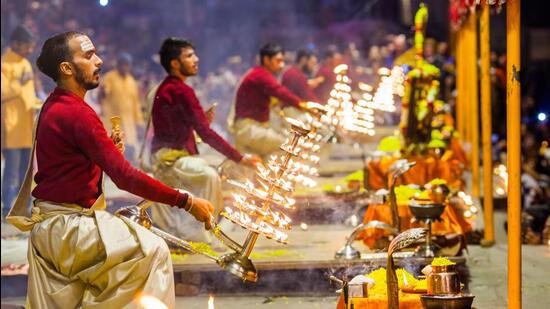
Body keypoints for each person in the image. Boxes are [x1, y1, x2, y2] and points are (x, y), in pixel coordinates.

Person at [6, 31, 214, 308]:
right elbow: (126, 177)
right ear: (66, 68)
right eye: (89, 55)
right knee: (153, 252)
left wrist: (107, 154)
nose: (100, 61)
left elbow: (66, 167)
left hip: (54, 229)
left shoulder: (56, 105)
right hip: (69, 230)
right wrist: (185, 201)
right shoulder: (76, 112)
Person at [150, 37, 260, 242]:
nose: (196, 59)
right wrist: (240, 158)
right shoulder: (180, 90)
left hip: (169, 155)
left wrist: (197, 124)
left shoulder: (169, 88)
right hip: (170, 160)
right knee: (210, 176)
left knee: (212, 172)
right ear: (175, 63)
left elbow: (179, 126)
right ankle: (198, 234)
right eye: (190, 56)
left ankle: (197, 229)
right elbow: (206, 134)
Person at [230, 43, 306, 157]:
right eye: (278, 60)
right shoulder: (260, 75)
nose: (281, 65)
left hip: (253, 128)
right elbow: (280, 92)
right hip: (249, 130)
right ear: (266, 59)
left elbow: (276, 99)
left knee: (263, 166)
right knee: (287, 144)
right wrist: (304, 105)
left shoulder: (260, 74)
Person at [1, 26, 40, 217]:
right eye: (27, 46)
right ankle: (8, 208)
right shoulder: (3, 64)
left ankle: (23, 209)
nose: (30, 50)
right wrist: (20, 82)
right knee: (12, 172)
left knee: (26, 174)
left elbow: (28, 95)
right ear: (15, 44)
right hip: (11, 128)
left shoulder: (25, 63)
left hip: (26, 126)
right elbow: (3, 92)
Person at [99, 52, 144, 162]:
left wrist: (139, 122)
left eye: (127, 65)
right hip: (113, 123)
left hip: (129, 125)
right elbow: (103, 94)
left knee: (128, 155)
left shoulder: (131, 82)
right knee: (112, 154)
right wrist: (103, 92)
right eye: (123, 64)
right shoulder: (109, 77)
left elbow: (136, 104)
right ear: (118, 65)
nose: (125, 67)